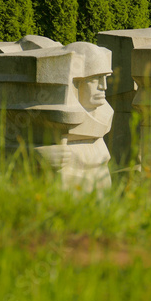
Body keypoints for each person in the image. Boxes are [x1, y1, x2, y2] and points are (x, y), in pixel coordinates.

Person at [35, 42, 114, 191]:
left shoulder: (103, 120)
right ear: (75, 83)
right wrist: (37, 155)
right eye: (94, 79)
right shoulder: (47, 118)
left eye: (105, 78)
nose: (104, 86)